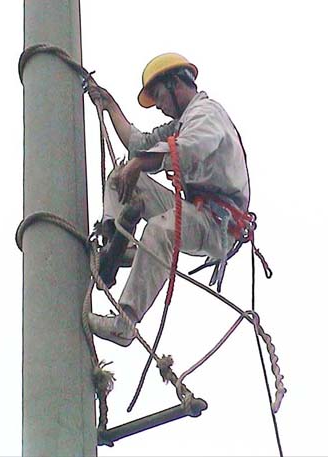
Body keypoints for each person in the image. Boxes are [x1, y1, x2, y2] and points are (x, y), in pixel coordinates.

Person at [87, 53, 250, 347]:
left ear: (176, 84)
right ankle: (117, 244)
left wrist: (139, 164)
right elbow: (139, 145)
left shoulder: (206, 114)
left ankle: (125, 323)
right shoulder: (181, 123)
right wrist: (110, 106)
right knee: (120, 177)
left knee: (162, 229)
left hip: (217, 223)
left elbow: (188, 150)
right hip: (196, 211)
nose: (160, 106)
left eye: (160, 96)